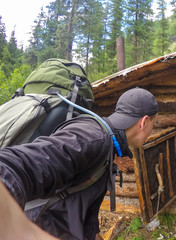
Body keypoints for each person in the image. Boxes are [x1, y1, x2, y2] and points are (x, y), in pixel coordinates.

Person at [0, 87, 158, 240]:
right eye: (154, 123)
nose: (152, 129)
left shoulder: (107, 146)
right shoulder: (91, 137)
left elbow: (86, 205)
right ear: (144, 122)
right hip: (43, 228)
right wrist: (19, 230)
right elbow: (15, 165)